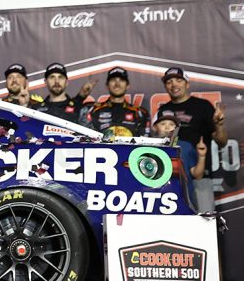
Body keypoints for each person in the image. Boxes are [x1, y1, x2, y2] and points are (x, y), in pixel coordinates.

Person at [157, 67, 227, 209]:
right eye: (169, 82)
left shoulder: (203, 106)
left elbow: (222, 142)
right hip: (171, 178)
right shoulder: (163, 110)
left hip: (199, 177)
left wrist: (219, 125)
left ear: (187, 84)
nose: (174, 85)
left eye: (178, 80)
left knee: (204, 219)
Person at [151, 110, 206, 203]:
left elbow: (198, 175)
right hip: (155, 197)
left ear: (177, 128)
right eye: (163, 124)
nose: (167, 127)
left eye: (172, 124)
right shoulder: (148, 147)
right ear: (155, 127)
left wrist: (202, 156)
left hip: (184, 199)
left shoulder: (186, 146)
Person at [86, 67, 149, 137]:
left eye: (121, 80)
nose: (117, 84)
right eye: (113, 80)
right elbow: (81, 134)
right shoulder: (94, 110)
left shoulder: (140, 113)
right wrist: (80, 97)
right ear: (107, 85)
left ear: (127, 85)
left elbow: (146, 140)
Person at [32, 62, 96, 123]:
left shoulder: (79, 108)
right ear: (45, 82)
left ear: (67, 82)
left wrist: (80, 98)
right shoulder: (36, 110)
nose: (56, 81)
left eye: (60, 77)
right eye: (52, 77)